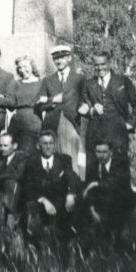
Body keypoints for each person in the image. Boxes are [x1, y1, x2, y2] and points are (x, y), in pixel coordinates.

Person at [78, 50, 136, 160]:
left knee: (117, 172)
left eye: (103, 64)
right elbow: (80, 107)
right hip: (95, 137)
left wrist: (130, 124)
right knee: (93, 174)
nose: (100, 68)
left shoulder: (123, 82)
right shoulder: (89, 84)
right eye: (96, 65)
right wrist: (92, 110)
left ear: (110, 63)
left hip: (118, 136)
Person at [20, 131, 81, 244]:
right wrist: (43, 200)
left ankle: (68, 244)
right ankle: (36, 246)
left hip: (60, 202)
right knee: (32, 211)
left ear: (55, 145)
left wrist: (71, 194)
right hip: (40, 203)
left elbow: (72, 178)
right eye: (45, 143)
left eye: (51, 143)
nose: (48, 146)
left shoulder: (64, 160)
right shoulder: (32, 162)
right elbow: (28, 187)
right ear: (39, 145)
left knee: (73, 211)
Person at [36, 45, 86, 177]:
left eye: (62, 58)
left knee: (73, 160)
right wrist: (53, 100)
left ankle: (75, 191)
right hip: (52, 124)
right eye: (56, 58)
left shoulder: (79, 79)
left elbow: (84, 100)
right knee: (53, 160)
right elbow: (39, 105)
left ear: (69, 58)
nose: (59, 61)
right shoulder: (47, 80)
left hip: (72, 122)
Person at [82, 140, 136, 244]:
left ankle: (118, 239)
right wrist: (92, 209)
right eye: (98, 152)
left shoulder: (121, 165)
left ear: (111, 152)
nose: (101, 155)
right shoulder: (94, 165)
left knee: (120, 230)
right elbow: (88, 188)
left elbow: (116, 185)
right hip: (103, 201)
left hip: (121, 200)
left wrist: (95, 184)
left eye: (104, 152)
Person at [0, 55, 43, 156]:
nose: (22, 70)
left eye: (25, 66)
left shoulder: (41, 83)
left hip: (34, 120)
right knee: (13, 152)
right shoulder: (15, 83)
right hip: (17, 122)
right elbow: (11, 103)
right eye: (20, 67)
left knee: (31, 152)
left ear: (32, 66)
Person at [0, 132, 27, 221]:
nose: (2, 149)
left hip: (16, 195)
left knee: (11, 182)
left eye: (5, 145)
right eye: (0, 145)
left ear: (15, 145)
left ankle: (10, 218)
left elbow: (18, 174)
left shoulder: (21, 157)